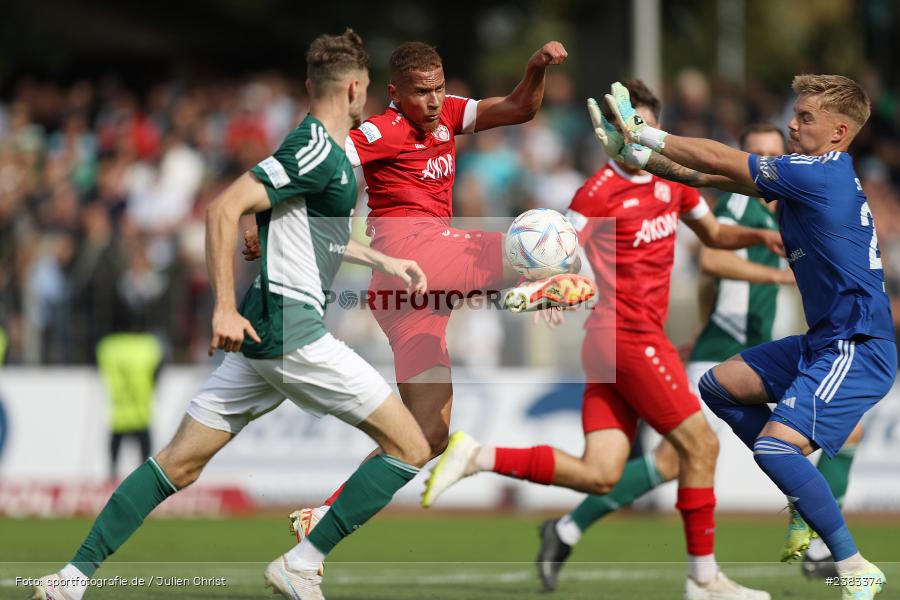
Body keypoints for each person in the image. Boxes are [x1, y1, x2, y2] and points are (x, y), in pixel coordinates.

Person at [32, 29, 434, 600]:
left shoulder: (329, 153)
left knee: (180, 463)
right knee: (412, 447)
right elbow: (224, 207)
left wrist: (379, 258)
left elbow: (302, 230)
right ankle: (302, 562)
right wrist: (222, 305)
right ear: (355, 88)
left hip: (264, 334)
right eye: (365, 91)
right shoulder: (317, 148)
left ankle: (68, 581)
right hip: (289, 330)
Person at [422, 80, 777, 599]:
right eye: (631, 129)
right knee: (699, 445)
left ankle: (479, 456)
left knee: (601, 473)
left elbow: (717, 237)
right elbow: (554, 250)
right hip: (623, 334)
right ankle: (704, 580)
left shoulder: (674, 182)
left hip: (622, 342)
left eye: (649, 130)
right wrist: (543, 289)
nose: (642, 139)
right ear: (610, 133)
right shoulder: (595, 193)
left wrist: (762, 236)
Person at [283, 38, 594, 541]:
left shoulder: (447, 113)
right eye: (422, 92)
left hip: (415, 298)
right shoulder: (380, 130)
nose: (433, 101)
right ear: (394, 93)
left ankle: (320, 523)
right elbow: (315, 162)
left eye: (439, 88)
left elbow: (518, 108)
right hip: (411, 255)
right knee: (531, 241)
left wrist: (534, 67)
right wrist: (265, 210)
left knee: (425, 436)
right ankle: (534, 281)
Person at [606, 74, 894, 600]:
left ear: (839, 131)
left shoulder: (818, 173)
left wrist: (647, 132)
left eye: (806, 118)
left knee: (774, 450)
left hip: (857, 346)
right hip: (825, 341)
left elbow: (718, 159)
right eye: (794, 112)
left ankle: (851, 563)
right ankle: (805, 497)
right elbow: (713, 179)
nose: (791, 123)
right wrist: (638, 157)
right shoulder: (809, 176)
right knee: (719, 385)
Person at [96, 332, 164, 479]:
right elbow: (158, 372)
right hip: (141, 413)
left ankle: (112, 480)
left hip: (119, 413)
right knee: (145, 458)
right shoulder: (149, 346)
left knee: (114, 456)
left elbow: (99, 366)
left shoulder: (108, 347)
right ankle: (144, 481)